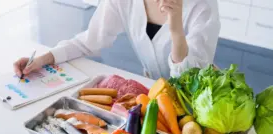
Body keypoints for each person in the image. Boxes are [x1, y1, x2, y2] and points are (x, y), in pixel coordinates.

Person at [14, 0, 220, 79]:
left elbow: (191, 77)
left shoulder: (202, 5)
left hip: (198, 101)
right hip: (152, 92)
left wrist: (176, 30)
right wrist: (43, 59)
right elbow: (89, 40)